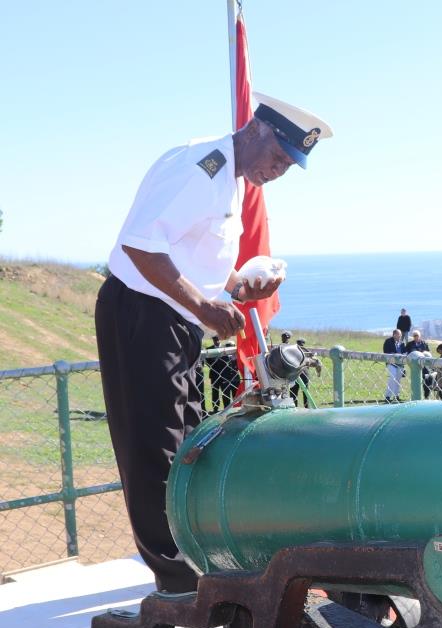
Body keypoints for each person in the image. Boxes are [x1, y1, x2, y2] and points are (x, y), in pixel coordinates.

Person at [95, 93, 330, 592]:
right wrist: (204, 309)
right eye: (280, 158)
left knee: (190, 442)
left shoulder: (228, 181)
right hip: (143, 313)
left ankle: (196, 554)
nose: (279, 171)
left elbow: (195, 257)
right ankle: (176, 577)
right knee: (153, 449)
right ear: (258, 130)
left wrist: (240, 288)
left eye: (290, 165)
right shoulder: (203, 169)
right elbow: (141, 245)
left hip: (174, 321)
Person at [383, 329, 405, 403]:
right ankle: (387, 396)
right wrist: (394, 355)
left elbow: (404, 352)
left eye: (400, 334)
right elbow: (385, 351)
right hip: (391, 363)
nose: (400, 336)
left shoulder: (402, 343)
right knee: (392, 378)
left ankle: (396, 396)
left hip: (400, 364)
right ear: (394, 335)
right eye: (399, 334)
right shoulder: (388, 341)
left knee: (398, 380)